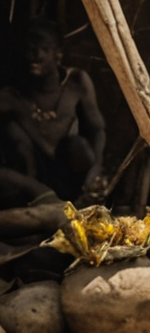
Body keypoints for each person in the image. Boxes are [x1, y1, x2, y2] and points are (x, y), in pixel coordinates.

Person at [0, 20, 106, 207]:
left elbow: (98, 130)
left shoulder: (76, 82)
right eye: (30, 49)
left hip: (70, 177)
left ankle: (79, 203)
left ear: (58, 54)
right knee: (13, 132)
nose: (35, 56)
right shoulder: (12, 96)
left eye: (43, 49)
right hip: (33, 182)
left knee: (77, 145)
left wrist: (96, 168)